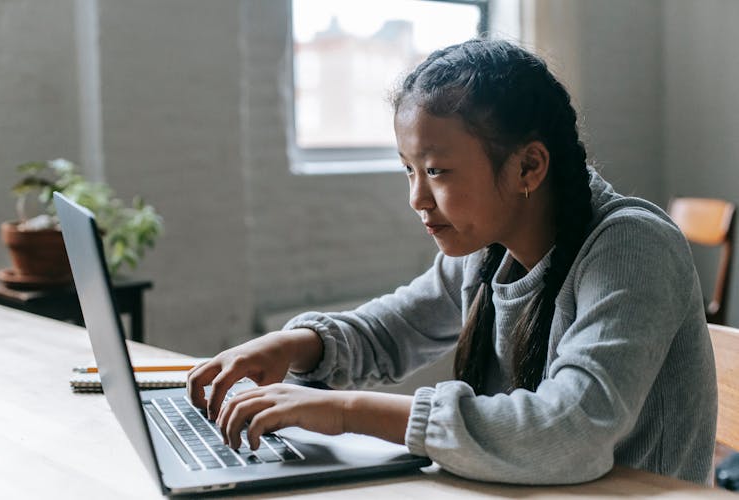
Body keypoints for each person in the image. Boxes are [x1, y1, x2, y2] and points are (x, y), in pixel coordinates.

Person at [187, 38, 716, 485]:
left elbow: (571, 429)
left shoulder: (632, 247)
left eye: (437, 171)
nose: (417, 198)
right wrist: (294, 344)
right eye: (408, 170)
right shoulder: (488, 246)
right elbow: (391, 330)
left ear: (529, 165)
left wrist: (347, 411)